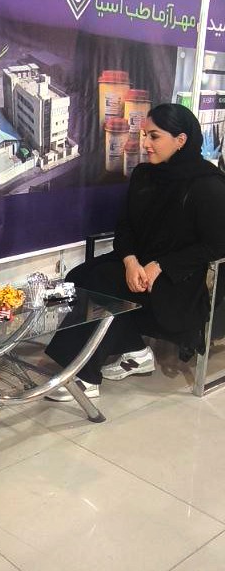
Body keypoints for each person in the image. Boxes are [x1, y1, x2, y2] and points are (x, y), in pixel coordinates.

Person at [45, 103, 225, 401]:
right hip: (136, 264)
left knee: (104, 282)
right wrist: (130, 261)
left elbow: (217, 244)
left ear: (180, 140)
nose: (145, 144)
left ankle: (85, 377)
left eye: (154, 136)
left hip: (177, 280)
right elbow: (125, 226)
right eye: (144, 135)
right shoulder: (145, 175)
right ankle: (135, 350)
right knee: (80, 276)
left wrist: (160, 265)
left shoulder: (208, 184)